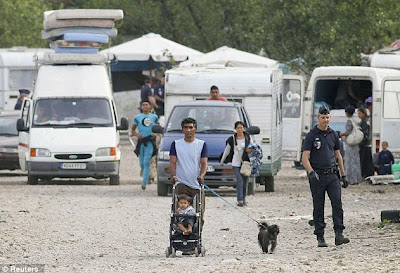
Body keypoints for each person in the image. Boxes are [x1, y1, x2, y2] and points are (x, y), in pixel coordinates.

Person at [302, 106, 350, 247]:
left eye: (327, 117)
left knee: (337, 204)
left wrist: (343, 175)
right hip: (318, 176)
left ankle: (339, 234)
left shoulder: (333, 134)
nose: (325, 120)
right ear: (318, 118)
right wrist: (311, 172)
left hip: (332, 175)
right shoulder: (311, 135)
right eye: (323, 117)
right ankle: (320, 236)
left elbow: (338, 155)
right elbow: (305, 157)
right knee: (318, 206)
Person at [169, 117, 208, 227]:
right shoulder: (176, 144)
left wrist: (202, 175)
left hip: (196, 184)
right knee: (179, 212)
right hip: (181, 183)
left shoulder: (201, 144)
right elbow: (172, 162)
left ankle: (196, 235)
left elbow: (204, 163)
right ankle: (179, 233)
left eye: (191, 127)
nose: (188, 130)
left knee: (199, 213)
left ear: (195, 129)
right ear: (182, 130)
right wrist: (173, 175)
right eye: (186, 127)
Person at [219, 121, 252, 207]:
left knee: (245, 182)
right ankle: (239, 200)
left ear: (243, 128)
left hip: (245, 163)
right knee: (240, 181)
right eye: (238, 128)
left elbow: (253, 147)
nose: (240, 129)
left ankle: (244, 198)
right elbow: (227, 151)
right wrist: (222, 161)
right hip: (236, 163)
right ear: (235, 129)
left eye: (241, 128)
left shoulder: (247, 137)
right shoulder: (232, 139)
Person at [131, 101, 159, 190]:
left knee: (147, 162)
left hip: (150, 141)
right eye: (143, 105)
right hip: (141, 142)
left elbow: (158, 128)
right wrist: (136, 135)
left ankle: (144, 182)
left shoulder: (154, 117)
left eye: (147, 105)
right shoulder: (138, 117)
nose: (145, 106)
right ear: (141, 107)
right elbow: (133, 130)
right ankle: (145, 176)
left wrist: (156, 134)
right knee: (142, 163)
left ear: (150, 107)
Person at [339, 106, 362, 185]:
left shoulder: (349, 121)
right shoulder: (355, 121)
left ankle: (350, 179)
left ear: (347, 113)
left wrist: (341, 134)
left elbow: (348, 132)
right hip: (355, 143)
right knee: (355, 161)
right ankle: (356, 179)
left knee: (349, 161)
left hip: (350, 143)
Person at [357, 106, 375, 178]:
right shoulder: (365, 121)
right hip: (366, 144)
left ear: (364, 113)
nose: (359, 115)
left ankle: (365, 174)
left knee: (364, 160)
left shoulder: (364, 123)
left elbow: (365, 135)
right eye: (358, 113)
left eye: (360, 113)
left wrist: (360, 144)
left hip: (365, 144)